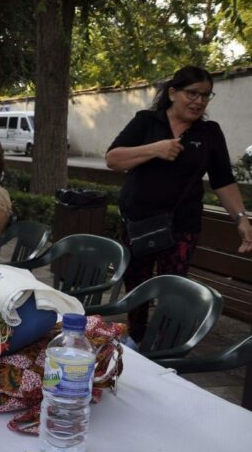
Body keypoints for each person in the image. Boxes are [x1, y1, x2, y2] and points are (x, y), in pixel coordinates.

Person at [105, 65, 252, 341]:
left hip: (181, 224)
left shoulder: (209, 132)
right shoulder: (147, 122)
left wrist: (241, 218)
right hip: (139, 221)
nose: (198, 101)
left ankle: (163, 344)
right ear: (173, 93)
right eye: (192, 93)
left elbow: (223, 181)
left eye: (206, 95)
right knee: (138, 285)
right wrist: (156, 148)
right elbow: (113, 159)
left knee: (173, 288)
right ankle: (136, 339)